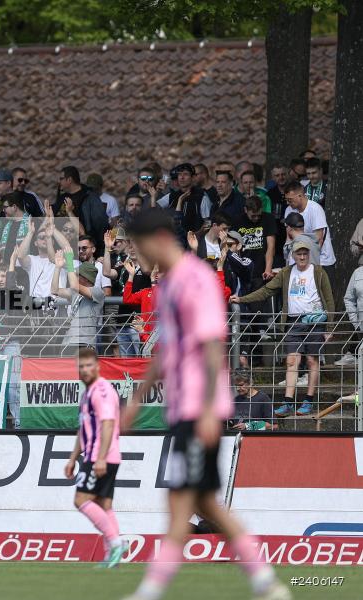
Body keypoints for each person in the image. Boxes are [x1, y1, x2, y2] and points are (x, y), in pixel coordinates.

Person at [122, 209, 288, 600]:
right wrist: (136, 401)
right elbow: (166, 354)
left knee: (186, 501)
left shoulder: (195, 279)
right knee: (197, 501)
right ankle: (263, 581)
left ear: (160, 238)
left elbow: (214, 345)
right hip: (183, 408)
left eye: (140, 246)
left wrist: (213, 406)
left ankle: (153, 589)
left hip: (199, 407)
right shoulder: (171, 285)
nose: (139, 256)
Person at [231, 239, 334, 417]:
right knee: (291, 361)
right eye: (299, 254)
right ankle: (288, 402)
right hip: (293, 322)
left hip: (315, 321)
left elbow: (329, 299)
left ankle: (308, 401)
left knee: (312, 360)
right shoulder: (287, 272)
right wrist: (242, 299)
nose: (302, 257)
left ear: (309, 254)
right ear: (293, 255)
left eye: (305, 253)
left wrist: (330, 326)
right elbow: (267, 290)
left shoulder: (318, 272)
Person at [64, 347, 124, 567]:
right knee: (104, 505)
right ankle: (113, 557)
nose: (85, 370)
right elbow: (84, 429)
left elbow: (107, 424)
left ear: (98, 366)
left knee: (81, 500)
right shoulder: (87, 392)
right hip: (98, 454)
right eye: (81, 366)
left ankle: (116, 543)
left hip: (102, 455)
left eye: (89, 365)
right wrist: (72, 458)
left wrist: (99, 458)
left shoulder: (101, 391)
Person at [283, 181, 336, 284]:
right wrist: (288, 263)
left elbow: (318, 240)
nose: (288, 203)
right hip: (299, 262)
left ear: (300, 196)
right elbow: (289, 238)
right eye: (287, 200)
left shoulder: (315, 209)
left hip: (322, 261)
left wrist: (308, 264)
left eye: (290, 200)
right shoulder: (289, 211)